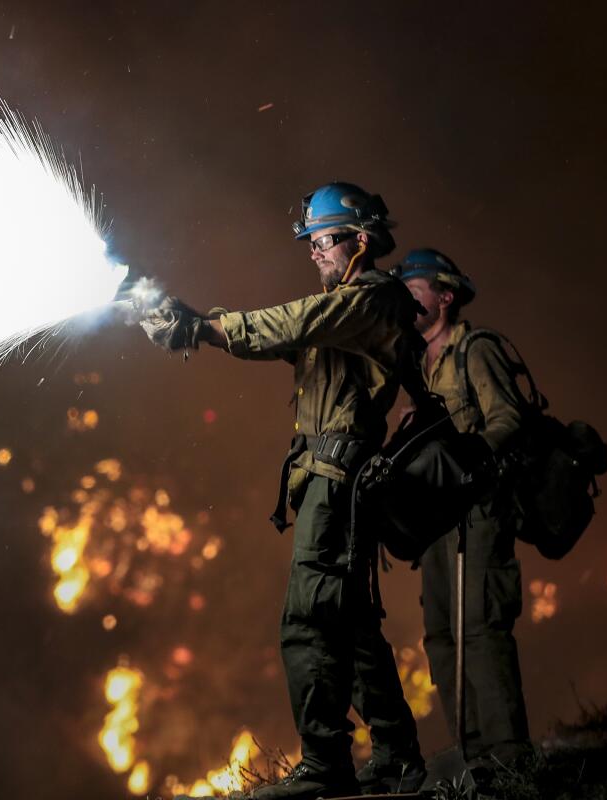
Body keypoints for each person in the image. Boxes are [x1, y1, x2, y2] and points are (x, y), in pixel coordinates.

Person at [142, 182, 426, 798]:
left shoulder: (372, 299)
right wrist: (199, 321)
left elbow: (295, 321)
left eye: (320, 240)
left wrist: (207, 330)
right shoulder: (345, 313)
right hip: (328, 481)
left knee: (307, 621)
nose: (313, 251)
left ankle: (326, 762)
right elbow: (278, 338)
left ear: (359, 240)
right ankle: (398, 755)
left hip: (337, 483)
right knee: (349, 623)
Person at [393, 248, 531, 782]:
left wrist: (468, 461)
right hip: (436, 519)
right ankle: (473, 759)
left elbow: (508, 418)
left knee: (480, 628)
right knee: (440, 636)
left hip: (478, 513)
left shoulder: (475, 348)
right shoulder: (417, 365)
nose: (406, 297)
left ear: (445, 296)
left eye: (415, 288)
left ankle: (510, 756)